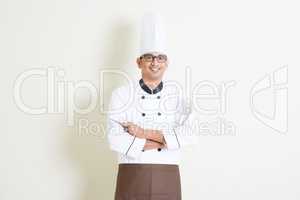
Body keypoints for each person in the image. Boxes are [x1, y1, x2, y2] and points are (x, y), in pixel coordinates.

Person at [107, 13, 198, 200]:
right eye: (149, 57)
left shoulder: (179, 97)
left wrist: (143, 133)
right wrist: (166, 141)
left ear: (167, 63)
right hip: (131, 175)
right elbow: (114, 138)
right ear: (139, 62)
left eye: (161, 58)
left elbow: (190, 133)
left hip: (168, 175)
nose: (155, 63)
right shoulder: (121, 95)